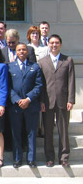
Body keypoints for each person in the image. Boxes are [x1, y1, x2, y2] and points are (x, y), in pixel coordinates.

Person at [38, 34, 75, 168]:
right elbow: (40, 84)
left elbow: (71, 81)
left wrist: (71, 99)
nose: (54, 45)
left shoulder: (68, 60)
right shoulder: (42, 62)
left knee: (63, 130)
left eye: (57, 43)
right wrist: (41, 101)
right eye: (52, 43)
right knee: (48, 130)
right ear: (48, 44)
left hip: (63, 100)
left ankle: (64, 157)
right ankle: (50, 158)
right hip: (47, 101)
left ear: (60, 44)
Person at [8, 43, 43, 168]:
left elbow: (39, 86)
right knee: (16, 132)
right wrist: (18, 100)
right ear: (15, 52)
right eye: (19, 50)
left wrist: (28, 99)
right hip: (15, 106)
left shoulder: (35, 66)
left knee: (31, 132)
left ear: (27, 52)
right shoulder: (10, 67)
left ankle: (31, 159)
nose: (21, 51)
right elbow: (8, 87)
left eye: (24, 49)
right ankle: (17, 158)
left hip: (31, 105)